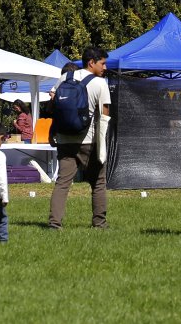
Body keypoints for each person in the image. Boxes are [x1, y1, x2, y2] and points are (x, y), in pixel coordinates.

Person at [48, 48, 112, 230]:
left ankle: (54, 223)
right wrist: (102, 145)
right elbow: (105, 114)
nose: (105, 67)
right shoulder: (100, 83)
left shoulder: (64, 77)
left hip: (64, 140)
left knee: (62, 183)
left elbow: (54, 106)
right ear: (91, 62)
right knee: (98, 182)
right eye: (102, 63)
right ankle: (99, 223)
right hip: (88, 141)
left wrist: (53, 132)